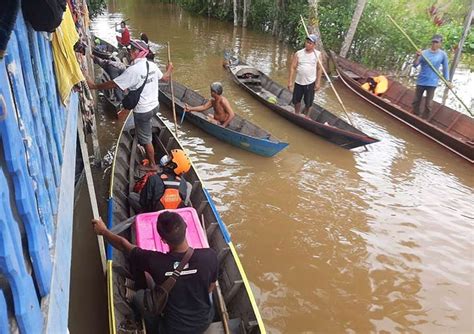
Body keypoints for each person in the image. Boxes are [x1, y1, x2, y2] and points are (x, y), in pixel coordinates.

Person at [91, 211, 218, 333]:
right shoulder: (210, 256)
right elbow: (210, 288)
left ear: (163, 240)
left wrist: (103, 231)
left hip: (172, 330)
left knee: (139, 296)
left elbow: (124, 245)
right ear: (186, 227)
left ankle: (148, 327)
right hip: (204, 322)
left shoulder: (154, 261)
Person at [86, 39, 173, 170]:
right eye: (130, 49)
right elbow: (165, 78)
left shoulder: (134, 70)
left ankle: (152, 165)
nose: (130, 51)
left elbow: (114, 83)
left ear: (141, 53)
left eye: (133, 50)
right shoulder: (152, 65)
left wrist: (95, 86)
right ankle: (146, 138)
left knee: (146, 139)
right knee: (146, 130)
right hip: (155, 106)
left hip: (143, 111)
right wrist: (169, 70)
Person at [129, 149, 191, 213]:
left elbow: (143, 202)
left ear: (172, 165)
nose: (166, 157)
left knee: (132, 196)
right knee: (189, 185)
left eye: (169, 157)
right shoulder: (183, 182)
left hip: (154, 214)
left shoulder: (153, 178)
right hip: (174, 214)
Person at [412, 34, 451, 117]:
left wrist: (447, 81)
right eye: (433, 42)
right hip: (421, 81)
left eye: (436, 42)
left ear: (440, 43)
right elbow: (415, 65)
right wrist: (417, 56)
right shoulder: (424, 53)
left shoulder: (442, 55)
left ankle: (424, 119)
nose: (434, 44)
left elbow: (445, 68)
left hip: (432, 82)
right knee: (416, 101)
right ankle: (415, 115)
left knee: (428, 103)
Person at [287, 34, 323, 116]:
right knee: (296, 100)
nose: (308, 44)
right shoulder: (298, 53)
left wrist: (318, 83)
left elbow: (319, 69)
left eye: (310, 43)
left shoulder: (318, 54)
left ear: (314, 45)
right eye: (307, 42)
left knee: (308, 102)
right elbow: (292, 67)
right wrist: (290, 81)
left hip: (310, 82)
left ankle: (306, 116)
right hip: (299, 81)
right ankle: (296, 113)